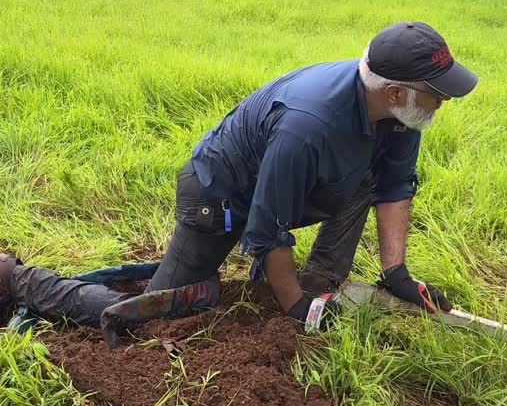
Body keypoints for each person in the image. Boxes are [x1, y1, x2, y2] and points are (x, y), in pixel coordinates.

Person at [1, 22, 478, 342]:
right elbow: (267, 226)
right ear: (395, 90)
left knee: (363, 181)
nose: (444, 102)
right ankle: (17, 279)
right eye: (437, 94)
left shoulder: (399, 115)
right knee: (159, 318)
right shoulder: (309, 124)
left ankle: (310, 285)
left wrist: (396, 274)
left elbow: (393, 186)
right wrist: (293, 308)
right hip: (218, 195)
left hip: (283, 185)